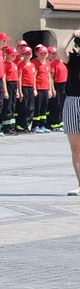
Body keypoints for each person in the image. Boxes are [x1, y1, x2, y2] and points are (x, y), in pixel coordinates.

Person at [60, 31, 80, 194]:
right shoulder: (72, 60)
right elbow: (60, 49)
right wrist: (72, 34)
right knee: (76, 149)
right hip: (72, 100)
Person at [33, 45, 55, 133]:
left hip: (45, 88)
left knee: (44, 108)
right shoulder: (34, 62)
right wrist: (34, 89)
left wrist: (50, 89)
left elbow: (49, 77)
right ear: (37, 54)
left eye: (45, 53)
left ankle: (42, 125)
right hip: (38, 88)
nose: (43, 55)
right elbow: (33, 77)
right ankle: (35, 126)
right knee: (37, 108)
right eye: (41, 53)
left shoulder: (48, 63)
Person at [1, 46, 22, 135]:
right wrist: (5, 91)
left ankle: (12, 127)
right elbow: (3, 78)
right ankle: (6, 128)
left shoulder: (14, 65)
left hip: (13, 86)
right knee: (8, 107)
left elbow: (16, 79)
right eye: (12, 55)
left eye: (15, 55)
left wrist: (17, 90)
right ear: (7, 55)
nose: (14, 57)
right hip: (8, 85)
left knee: (13, 107)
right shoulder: (4, 64)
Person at [17, 46, 37, 132]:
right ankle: (22, 125)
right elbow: (19, 78)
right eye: (25, 54)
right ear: (23, 55)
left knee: (31, 108)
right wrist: (20, 91)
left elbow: (34, 77)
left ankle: (28, 124)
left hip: (31, 88)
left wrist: (35, 88)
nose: (27, 56)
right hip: (24, 87)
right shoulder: (21, 65)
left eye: (29, 54)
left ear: (31, 55)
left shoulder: (33, 65)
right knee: (24, 107)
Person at [49, 46, 68, 132]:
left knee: (62, 104)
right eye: (53, 53)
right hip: (57, 85)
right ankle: (54, 123)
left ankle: (60, 122)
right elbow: (51, 77)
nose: (54, 55)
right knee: (56, 104)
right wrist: (52, 89)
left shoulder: (63, 63)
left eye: (55, 53)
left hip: (63, 85)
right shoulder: (53, 64)